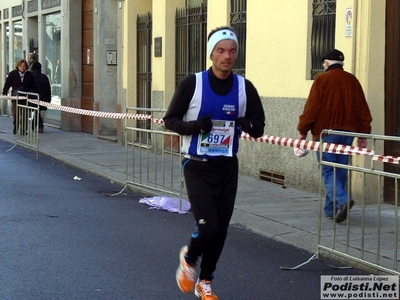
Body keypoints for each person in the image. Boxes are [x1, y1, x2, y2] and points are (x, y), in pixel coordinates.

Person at [163, 26, 265, 299]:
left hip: (227, 166)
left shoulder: (245, 88)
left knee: (220, 231)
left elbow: (259, 127)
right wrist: (196, 126)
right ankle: (189, 258)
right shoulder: (192, 84)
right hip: (197, 165)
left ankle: (205, 281)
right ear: (211, 54)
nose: (227, 56)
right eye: (221, 51)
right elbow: (170, 120)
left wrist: (247, 124)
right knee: (208, 227)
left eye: (232, 51)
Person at [297, 49, 372, 223]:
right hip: (347, 133)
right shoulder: (352, 80)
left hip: (326, 133)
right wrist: (363, 134)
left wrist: (303, 130)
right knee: (340, 170)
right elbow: (363, 109)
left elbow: (311, 109)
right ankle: (332, 209)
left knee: (328, 170)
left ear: (326, 63)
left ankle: (343, 201)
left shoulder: (322, 80)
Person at [2, 59, 38, 134]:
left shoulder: (29, 75)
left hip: (26, 97)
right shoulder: (13, 74)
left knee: (25, 114)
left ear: (26, 67)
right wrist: (5, 92)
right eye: (20, 66)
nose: (22, 68)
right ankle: (16, 126)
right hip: (16, 97)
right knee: (16, 113)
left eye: (24, 66)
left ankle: (24, 130)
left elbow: (34, 85)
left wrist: (37, 94)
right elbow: (7, 83)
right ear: (18, 66)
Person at [30, 61, 51, 133]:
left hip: (32, 99)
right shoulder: (44, 77)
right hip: (43, 99)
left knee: (36, 111)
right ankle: (37, 126)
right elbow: (48, 89)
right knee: (37, 112)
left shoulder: (30, 76)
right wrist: (48, 100)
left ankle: (38, 126)